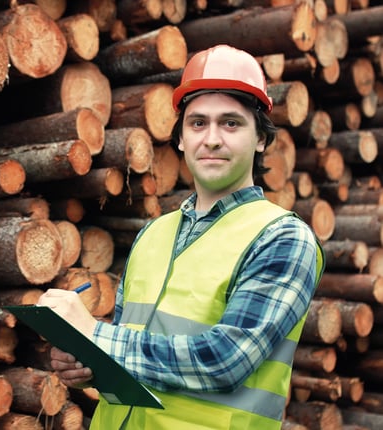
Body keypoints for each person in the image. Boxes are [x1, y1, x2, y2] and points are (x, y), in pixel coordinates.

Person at [37, 44, 325, 429]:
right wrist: (89, 365)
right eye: (198, 123)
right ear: (180, 139)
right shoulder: (154, 233)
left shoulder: (282, 238)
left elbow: (226, 359)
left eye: (232, 123)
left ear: (261, 139)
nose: (212, 139)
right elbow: (133, 357)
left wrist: (95, 334)